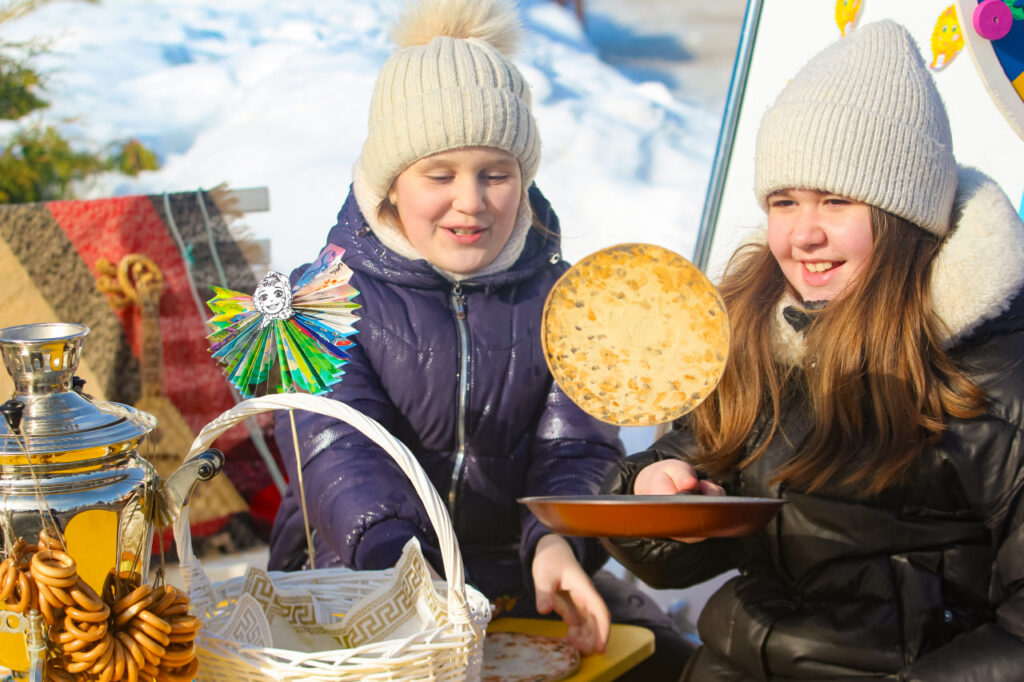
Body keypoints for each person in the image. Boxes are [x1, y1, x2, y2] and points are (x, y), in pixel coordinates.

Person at [267, 0, 691, 674]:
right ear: (388, 184)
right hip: (356, 574)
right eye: (440, 175)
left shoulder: (563, 301)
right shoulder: (323, 300)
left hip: (517, 575)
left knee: (668, 658)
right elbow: (342, 451)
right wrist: (400, 573)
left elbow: (576, 447)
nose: (471, 200)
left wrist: (556, 541)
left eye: (496, 174)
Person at [601, 20, 1024, 681]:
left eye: (835, 200)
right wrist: (651, 493)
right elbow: (678, 548)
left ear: (904, 215)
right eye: (784, 201)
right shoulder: (756, 328)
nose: (803, 234)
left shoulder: (992, 372)